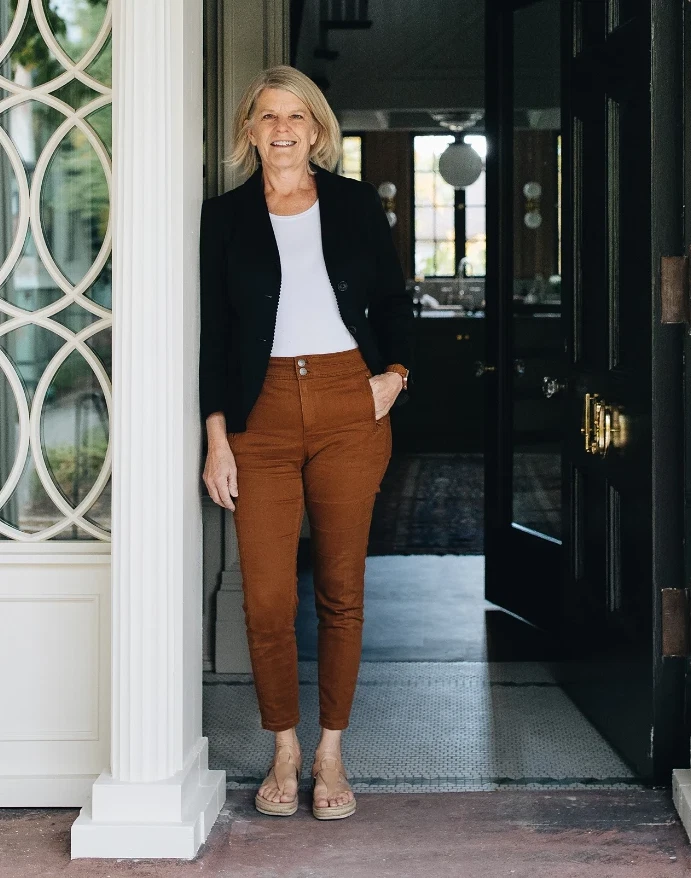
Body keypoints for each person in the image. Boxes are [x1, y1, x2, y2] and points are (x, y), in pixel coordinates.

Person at [199, 65, 413, 820]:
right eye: (267, 116)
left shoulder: (353, 206)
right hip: (257, 417)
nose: (282, 129)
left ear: (316, 131)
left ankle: (331, 750)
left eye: (295, 117)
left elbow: (393, 299)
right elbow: (215, 335)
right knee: (264, 599)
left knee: (341, 590)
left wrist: (391, 379)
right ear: (249, 131)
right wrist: (217, 436)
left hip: (347, 400)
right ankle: (283, 745)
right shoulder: (223, 218)